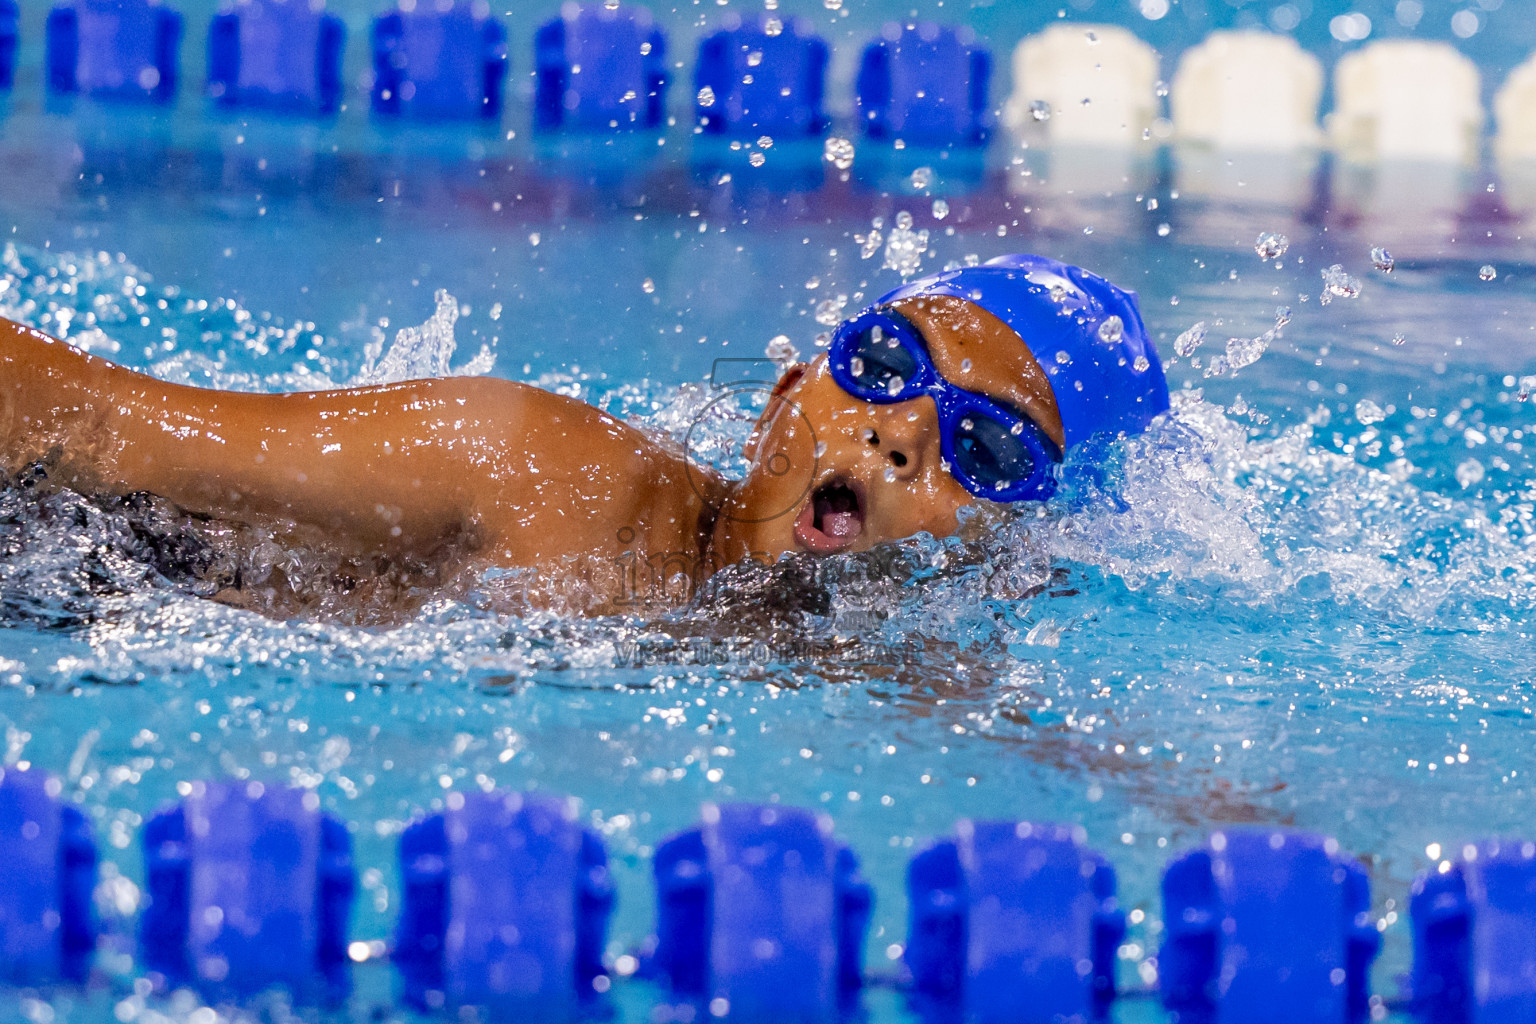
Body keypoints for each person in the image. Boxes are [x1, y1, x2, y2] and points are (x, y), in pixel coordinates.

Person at [0, 254, 1169, 616]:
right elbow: (95, 425)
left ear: (1015, 559)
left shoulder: (918, 691)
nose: (903, 431)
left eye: (994, 451)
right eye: (883, 364)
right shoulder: (534, 472)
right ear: (786, 393)